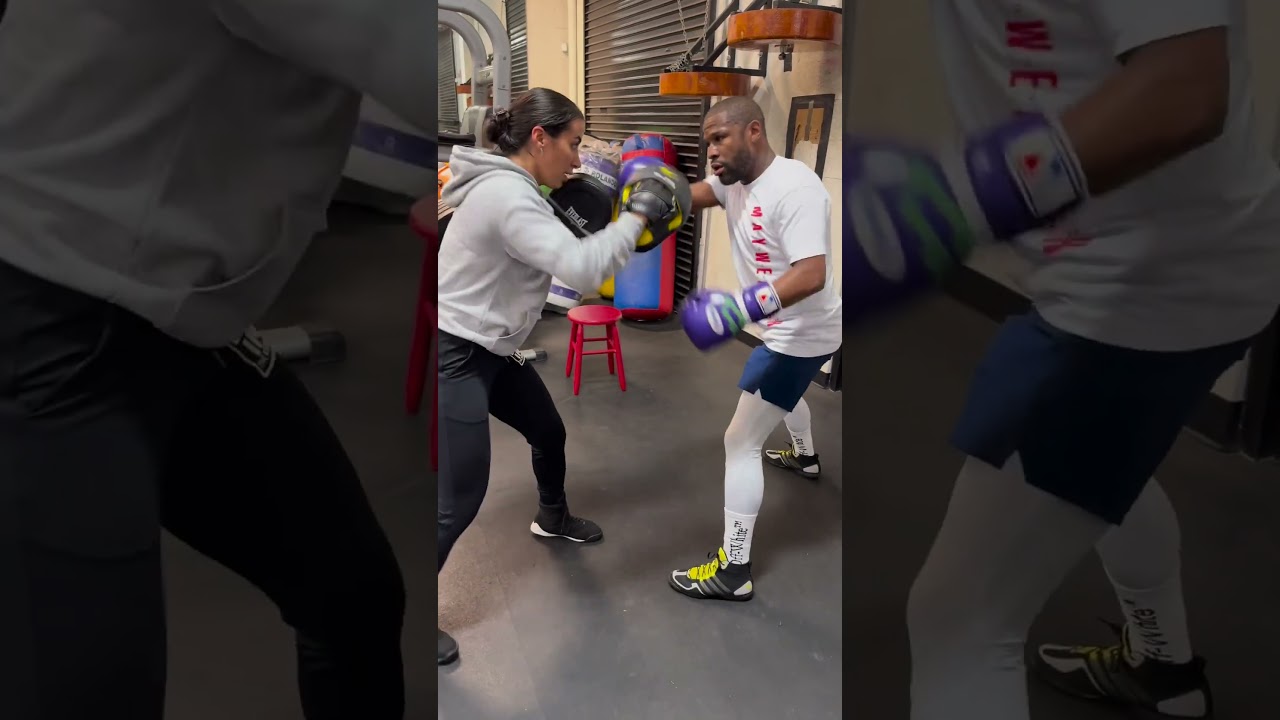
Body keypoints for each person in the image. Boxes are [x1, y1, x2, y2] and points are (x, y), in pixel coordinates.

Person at [841, 0, 1280, 717]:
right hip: (1156, 271)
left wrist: (954, 202)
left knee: (959, 619)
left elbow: (1185, 86)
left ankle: (1163, 669)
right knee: (1097, 476)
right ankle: (1163, 669)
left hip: (1144, 292)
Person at [0, 2, 429, 719]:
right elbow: (415, 51)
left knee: (352, 596)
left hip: (181, 313)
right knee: (93, 694)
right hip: (45, 303)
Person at [435, 87, 691, 664]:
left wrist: (690, 197)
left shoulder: (523, 189)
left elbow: (570, 237)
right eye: (573, 144)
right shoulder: (508, 196)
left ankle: (551, 516)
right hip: (457, 353)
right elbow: (580, 267)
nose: (578, 159)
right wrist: (638, 214)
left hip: (491, 348)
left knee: (548, 431)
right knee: (459, 497)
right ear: (539, 138)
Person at [666, 97, 842, 601]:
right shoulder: (732, 182)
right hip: (789, 328)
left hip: (801, 335)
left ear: (754, 132)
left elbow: (811, 273)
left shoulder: (795, 188)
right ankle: (806, 459)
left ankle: (733, 570)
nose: (711, 151)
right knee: (782, 396)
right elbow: (691, 196)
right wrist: (645, 195)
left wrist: (740, 309)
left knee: (740, 441)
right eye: (707, 142)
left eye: (720, 138)